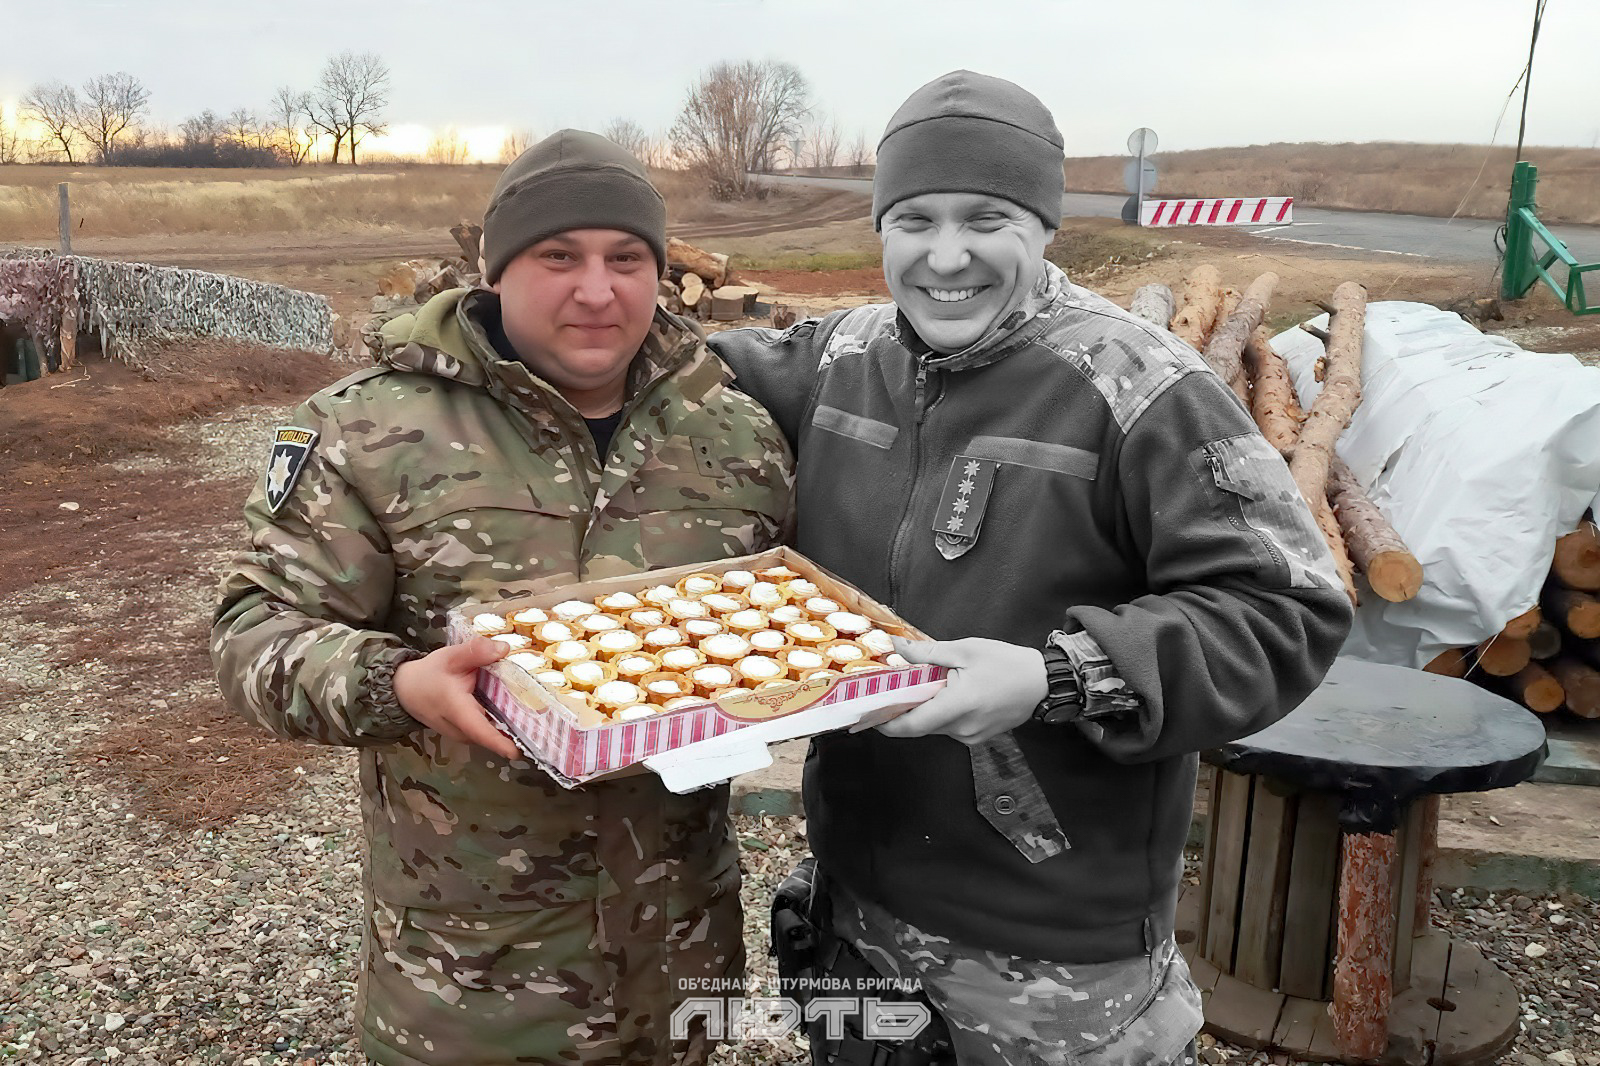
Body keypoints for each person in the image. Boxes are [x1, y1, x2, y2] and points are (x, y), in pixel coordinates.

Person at [708, 72, 1353, 1065]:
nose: (945, 255)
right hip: (854, 896)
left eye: (987, 219)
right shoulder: (842, 356)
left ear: (1044, 225)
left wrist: (1056, 675)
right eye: (914, 219)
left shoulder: (1141, 388)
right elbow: (651, 363)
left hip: (1050, 948)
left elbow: (1286, 610)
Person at [211, 129, 794, 1066]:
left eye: (627, 259)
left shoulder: (736, 433)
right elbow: (254, 632)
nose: (597, 291)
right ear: (495, 268)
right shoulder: (366, 428)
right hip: (471, 979)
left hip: (680, 960)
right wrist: (397, 685)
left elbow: (793, 622)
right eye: (558, 256)